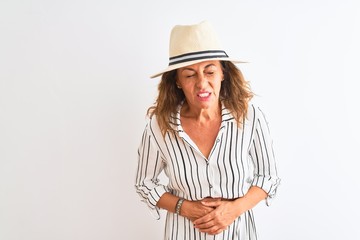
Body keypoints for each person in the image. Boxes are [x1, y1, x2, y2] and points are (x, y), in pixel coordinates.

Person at [135, 20, 280, 240]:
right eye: (190, 75)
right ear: (177, 81)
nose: (202, 83)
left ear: (223, 73)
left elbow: (269, 177)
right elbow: (144, 183)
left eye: (209, 71)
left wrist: (234, 209)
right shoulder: (159, 126)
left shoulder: (251, 118)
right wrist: (185, 208)